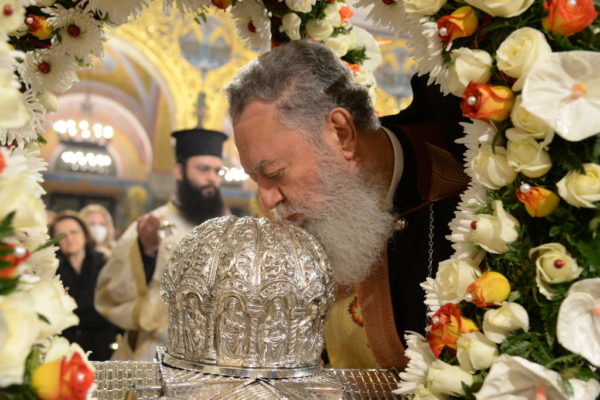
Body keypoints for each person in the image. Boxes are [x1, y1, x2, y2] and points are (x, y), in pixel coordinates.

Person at [225, 40, 469, 369]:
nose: (267, 200)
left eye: (274, 173)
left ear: (341, 133)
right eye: (256, 179)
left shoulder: (468, 178)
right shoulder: (311, 224)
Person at [94, 128, 228, 361]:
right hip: (157, 354)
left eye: (217, 171)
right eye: (203, 169)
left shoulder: (226, 229)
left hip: (215, 358)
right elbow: (112, 293)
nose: (212, 179)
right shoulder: (151, 225)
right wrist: (146, 252)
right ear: (179, 170)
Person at [50, 211, 121, 361]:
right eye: (62, 235)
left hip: (103, 346)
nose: (70, 239)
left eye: (74, 232)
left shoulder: (104, 264)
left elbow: (111, 305)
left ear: (85, 234)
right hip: (66, 348)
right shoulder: (51, 270)